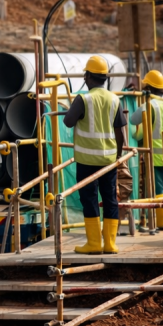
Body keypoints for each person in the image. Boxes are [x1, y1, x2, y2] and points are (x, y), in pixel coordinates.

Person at [63, 56, 126, 254]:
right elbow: (120, 133)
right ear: (105, 78)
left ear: (88, 76)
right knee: (110, 199)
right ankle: (110, 244)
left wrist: (73, 109)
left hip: (86, 161)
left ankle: (93, 244)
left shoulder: (83, 99)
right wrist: (117, 157)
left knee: (89, 199)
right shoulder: (114, 99)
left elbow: (68, 122)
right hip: (108, 160)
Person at [131, 70, 163, 229]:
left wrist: (141, 103)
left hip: (155, 155)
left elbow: (133, 119)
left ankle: (162, 223)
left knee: (158, 190)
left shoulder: (150, 104)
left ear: (149, 88)